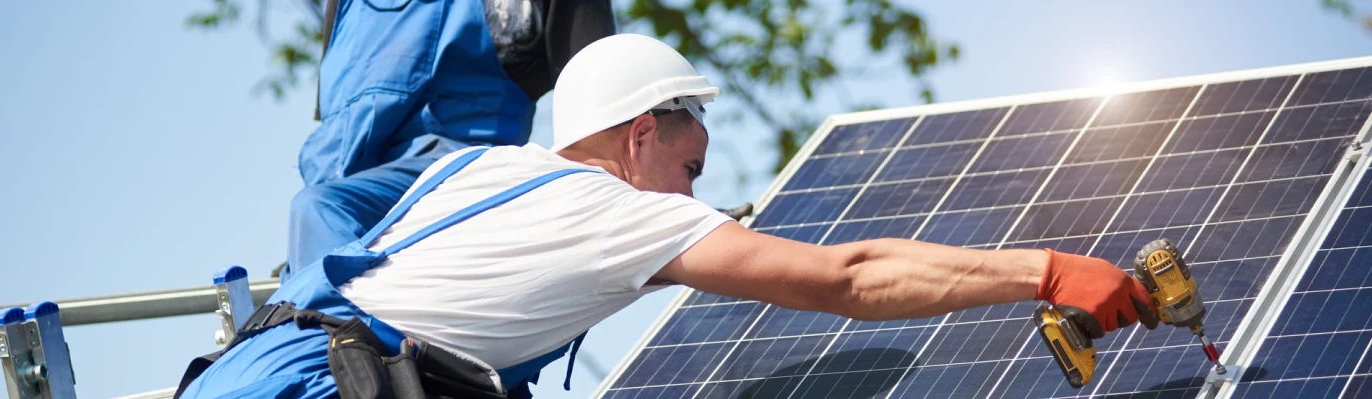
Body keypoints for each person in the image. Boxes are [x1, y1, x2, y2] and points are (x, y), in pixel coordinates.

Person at [178, 34, 1157, 399]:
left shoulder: (476, 171)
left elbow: (327, 197)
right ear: (637, 134)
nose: (693, 198)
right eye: (687, 167)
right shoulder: (618, 211)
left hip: (249, 370)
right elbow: (849, 279)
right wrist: (1043, 270)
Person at [284, 0, 616, 280]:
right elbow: (335, 116)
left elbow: (599, 103)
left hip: (466, 174)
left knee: (319, 209)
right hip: (343, 191)